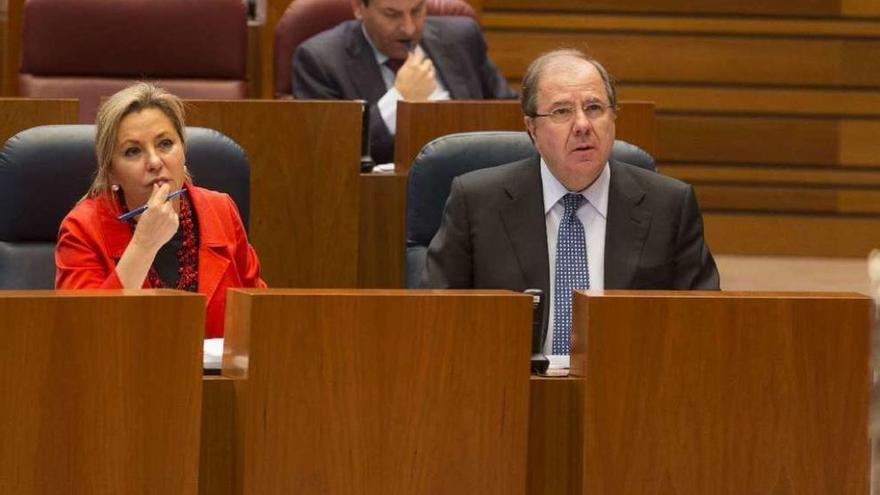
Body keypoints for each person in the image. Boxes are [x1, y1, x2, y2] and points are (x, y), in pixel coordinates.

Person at [421, 49, 719, 364]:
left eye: (594, 108)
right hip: (510, 391)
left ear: (613, 116)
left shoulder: (669, 205)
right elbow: (434, 320)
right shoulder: (476, 202)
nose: (582, 124)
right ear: (531, 128)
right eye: (562, 112)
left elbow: (703, 324)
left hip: (627, 392)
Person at [55, 82, 266, 338]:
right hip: (123, 375)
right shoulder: (82, 228)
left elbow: (258, 315)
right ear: (111, 171)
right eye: (133, 151)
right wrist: (144, 245)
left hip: (215, 378)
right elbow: (84, 335)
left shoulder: (220, 210)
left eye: (165, 144)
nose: (155, 162)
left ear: (183, 151)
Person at [292, 0, 516, 164]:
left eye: (417, 10)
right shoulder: (320, 60)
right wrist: (400, 99)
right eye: (391, 14)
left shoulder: (462, 37)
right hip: (382, 201)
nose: (409, 28)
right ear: (359, 8)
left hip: (476, 185)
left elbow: (510, 113)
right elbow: (331, 154)